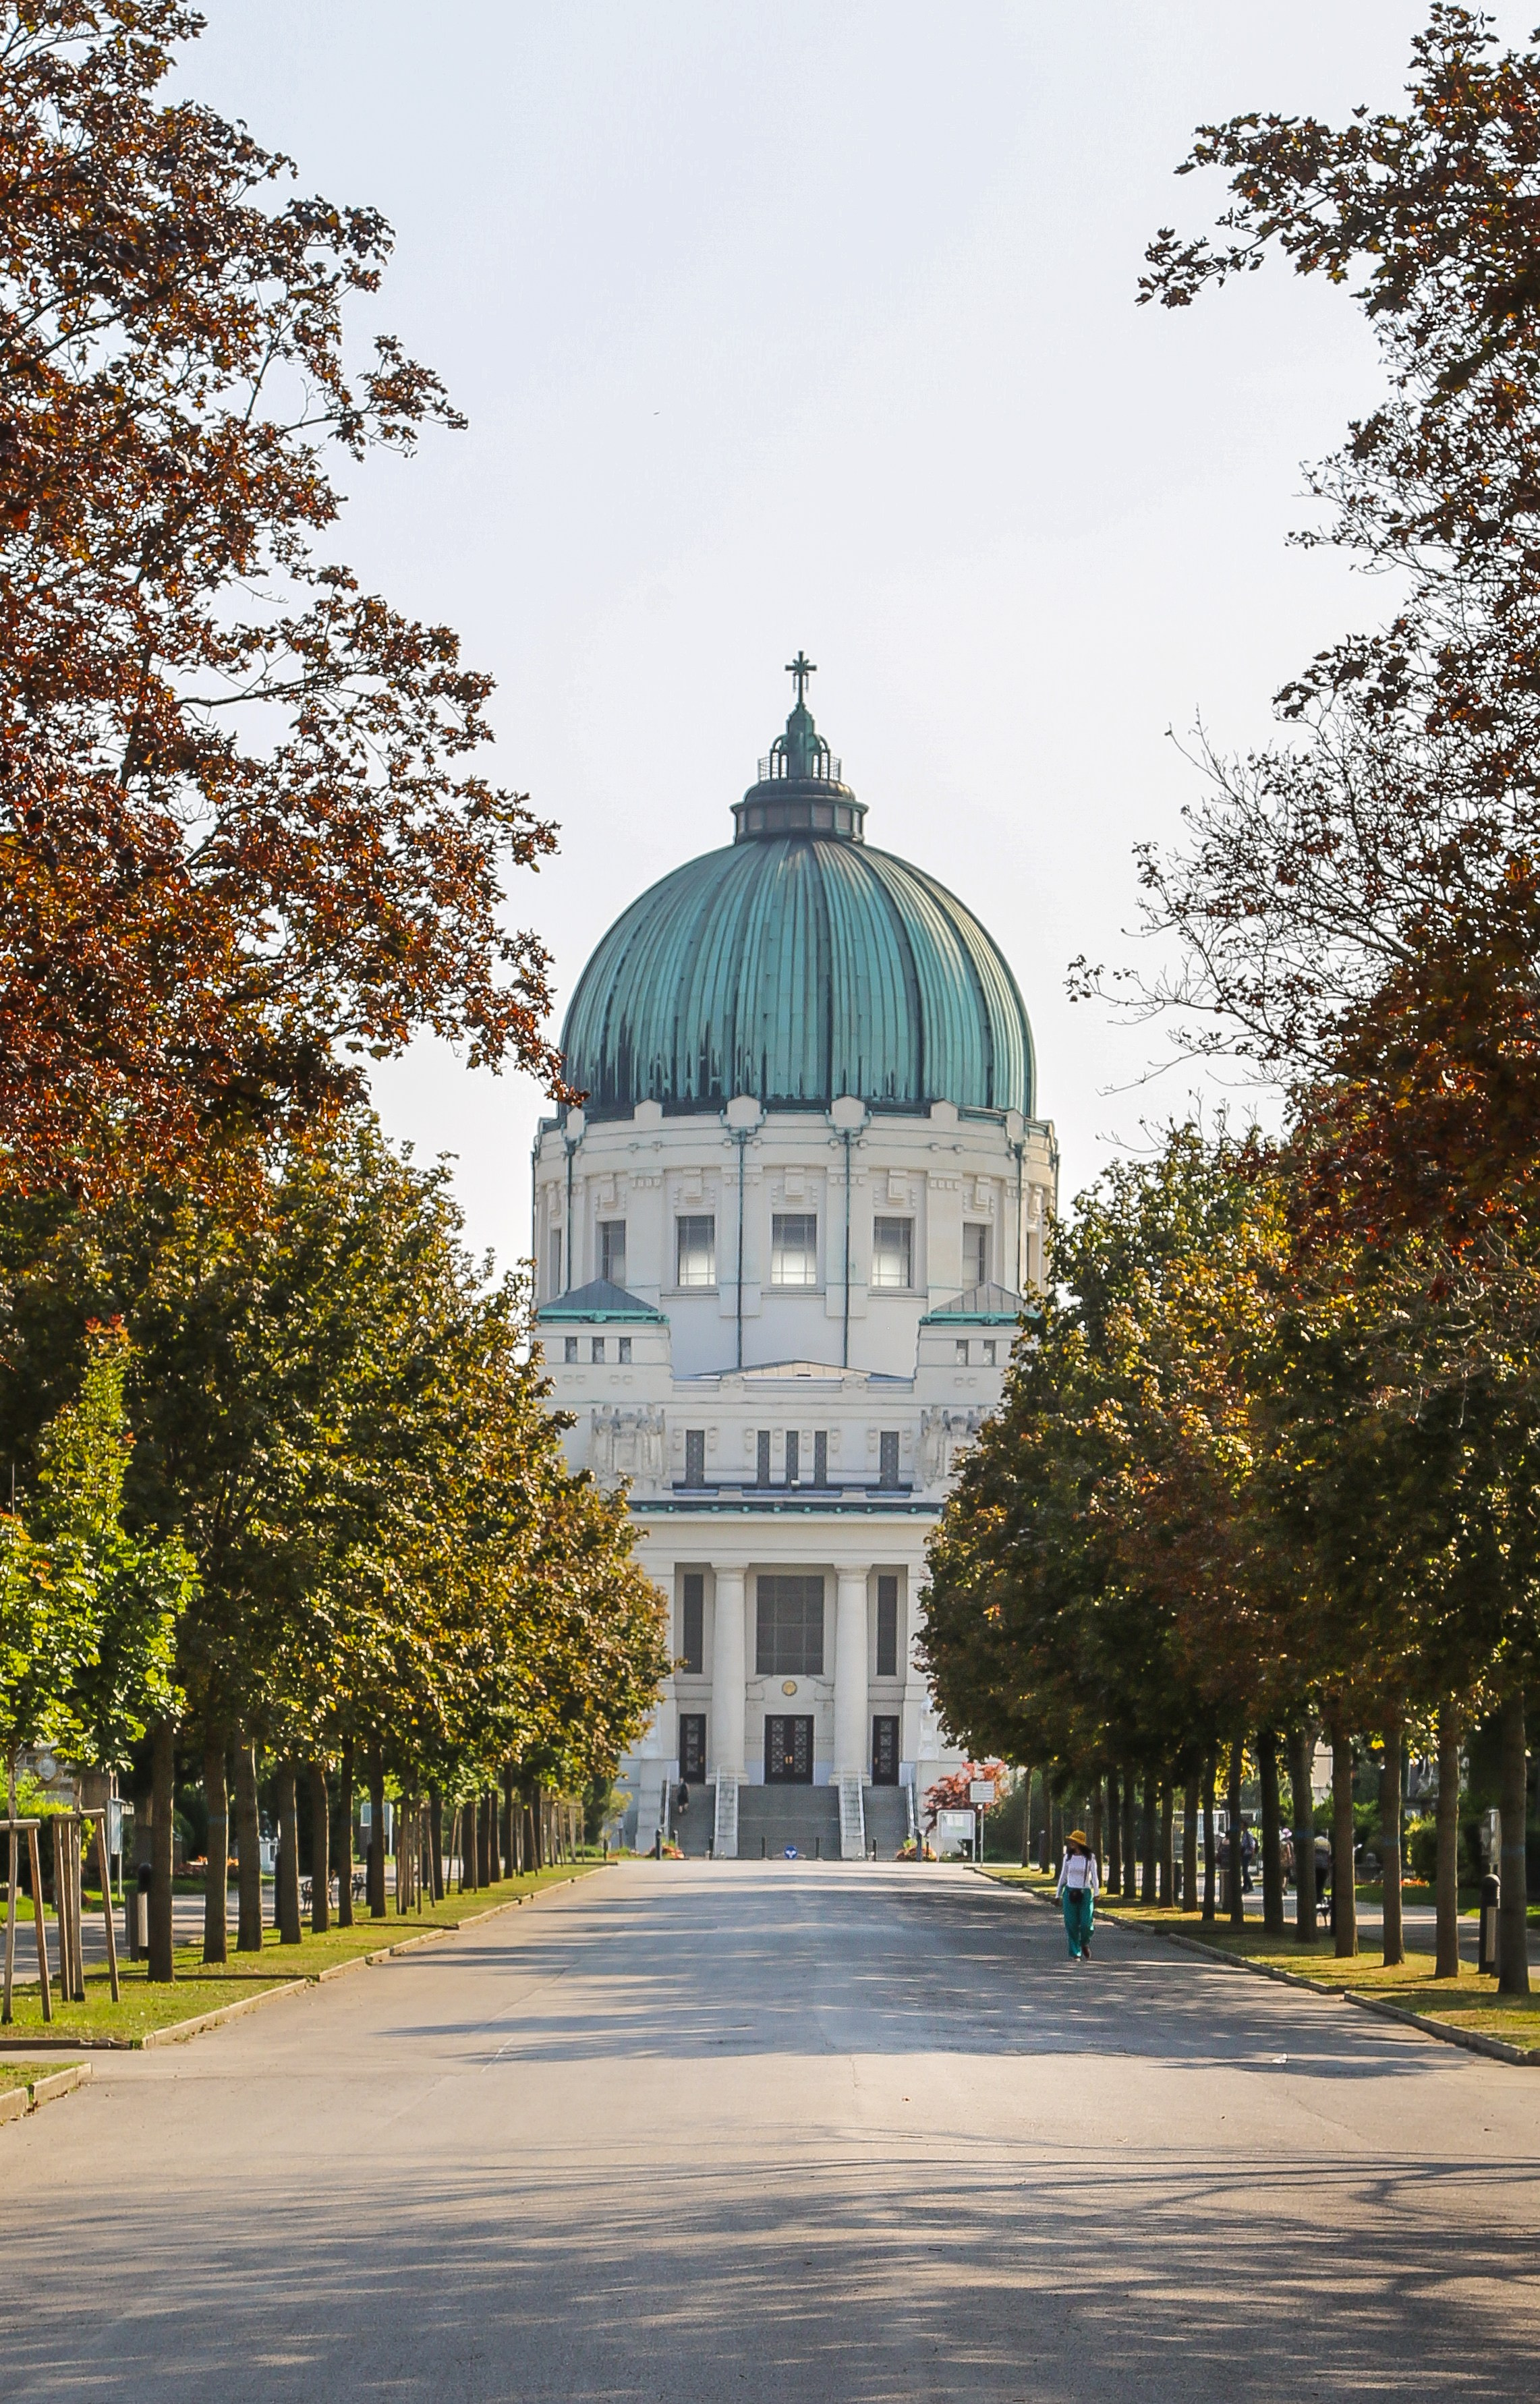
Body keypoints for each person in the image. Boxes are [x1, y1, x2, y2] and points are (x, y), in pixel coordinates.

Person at [1056, 1828, 1100, 1960]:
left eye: (1074, 1842)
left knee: (1087, 1923)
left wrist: (1096, 1893)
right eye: (1071, 1842)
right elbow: (1063, 1877)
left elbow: (1095, 1877)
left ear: (1080, 1843)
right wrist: (1057, 1894)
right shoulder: (1068, 1858)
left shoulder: (1090, 1858)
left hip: (1085, 1893)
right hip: (1070, 1892)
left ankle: (1084, 1942)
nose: (1071, 1844)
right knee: (1071, 1923)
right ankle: (1075, 1952)